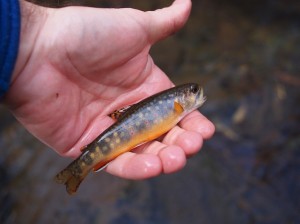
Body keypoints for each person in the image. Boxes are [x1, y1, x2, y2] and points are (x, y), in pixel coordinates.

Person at [0, 0, 214, 179]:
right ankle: (78, 169)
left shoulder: (177, 106)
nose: (197, 92)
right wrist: (31, 38)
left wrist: (31, 39)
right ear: (182, 98)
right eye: (193, 91)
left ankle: (77, 170)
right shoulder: (176, 106)